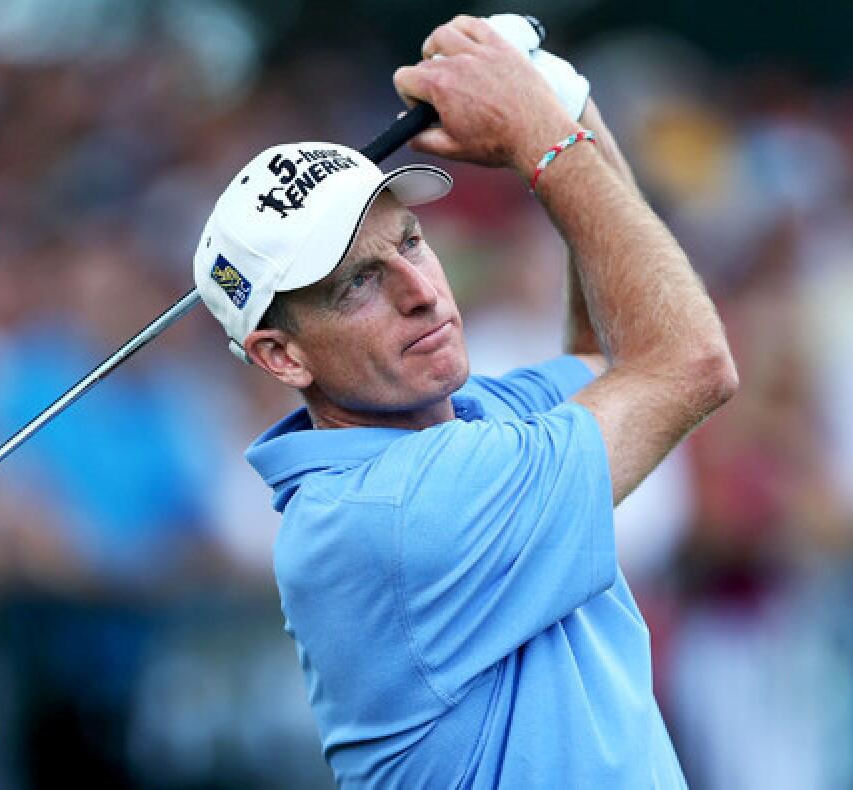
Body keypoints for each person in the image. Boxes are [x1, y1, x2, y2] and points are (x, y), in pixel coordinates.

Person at [192, 15, 737, 788]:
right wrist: (543, 139)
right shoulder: (394, 512)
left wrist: (569, 108)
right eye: (357, 286)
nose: (421, 293)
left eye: (411, 242)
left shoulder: (463, 423)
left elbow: (605, 352)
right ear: (282, 356)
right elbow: (689, 362)